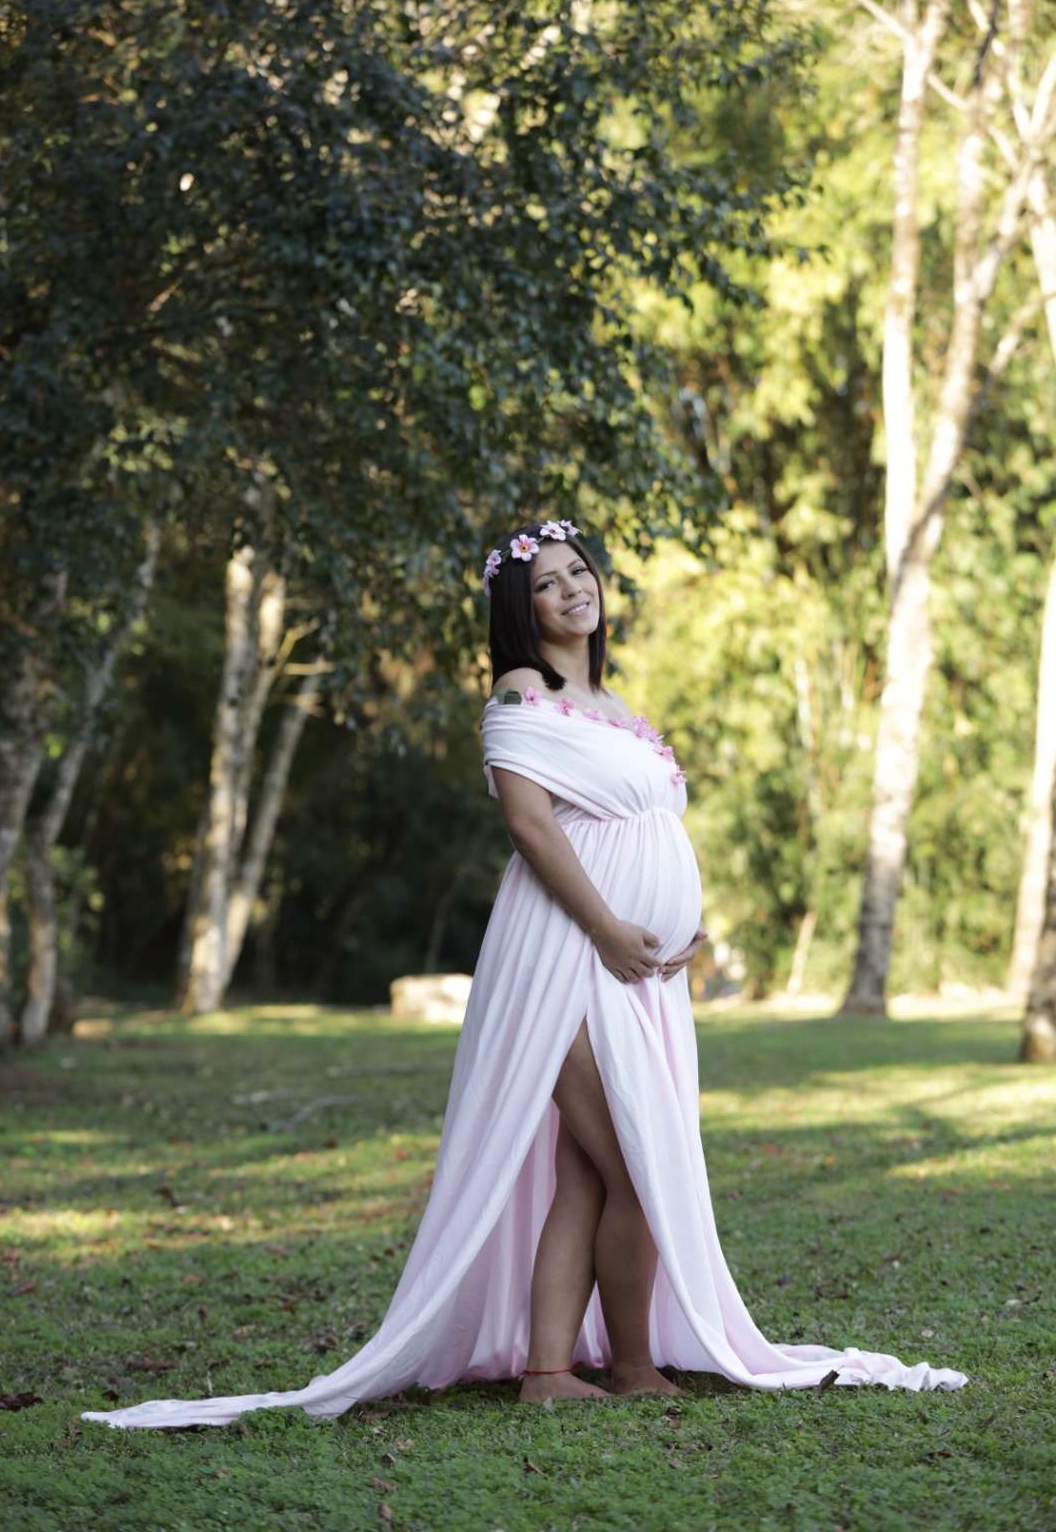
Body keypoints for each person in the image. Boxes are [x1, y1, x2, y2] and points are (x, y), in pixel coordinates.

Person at [82, 517, 965, 1431]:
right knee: (634, 1166)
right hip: (568, 958)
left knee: (590, 1173)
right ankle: (629, 1365)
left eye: (579, 571)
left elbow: (644, 827)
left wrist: (678, 923)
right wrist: (612, 927)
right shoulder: (519, 692)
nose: (572, 589)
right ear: (520, 607)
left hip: (640, 971)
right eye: (547, 582)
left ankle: (551, 1369)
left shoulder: (614, 702)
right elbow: (530, 824)